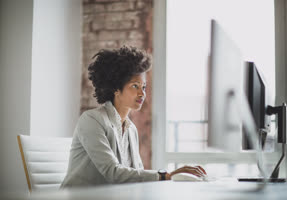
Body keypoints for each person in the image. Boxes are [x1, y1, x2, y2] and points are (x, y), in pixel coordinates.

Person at [61, 46, 206, 188]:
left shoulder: (131, 130)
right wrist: (165, 175)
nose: (142, 93)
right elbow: (113, 173)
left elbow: (136, 174)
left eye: (143, 87)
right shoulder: (92, 120)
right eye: (135, 86)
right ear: (116, 89)